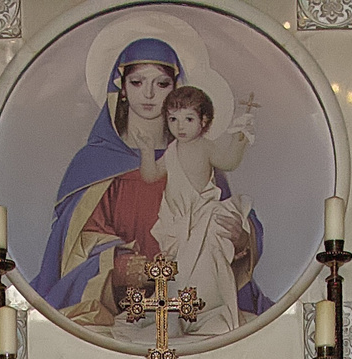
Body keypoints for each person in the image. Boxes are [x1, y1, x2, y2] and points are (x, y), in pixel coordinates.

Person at [30, 37, 267, 327]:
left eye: (162, 84)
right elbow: (77, 244)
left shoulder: (194, 155)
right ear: (122, 88)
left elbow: (227, 211)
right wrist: (117, 266)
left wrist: (242, 239)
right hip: (123, 311)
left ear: (177, 89)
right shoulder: (95, 163)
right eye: (138, 82)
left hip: (195, 301)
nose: (150, 94)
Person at [142, 84, 257, 337]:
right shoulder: (172, 150)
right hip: (177, 220)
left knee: (206, 269)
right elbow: (150, 175)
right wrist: (147, 150)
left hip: (204, 217)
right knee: (178, 273)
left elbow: (229, 162)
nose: (179, 126)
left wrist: (241, 137)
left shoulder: (206, 146)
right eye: (173, 119)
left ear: (204, 120)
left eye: (188, 119)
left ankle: (208, 314)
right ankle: (178, 318)